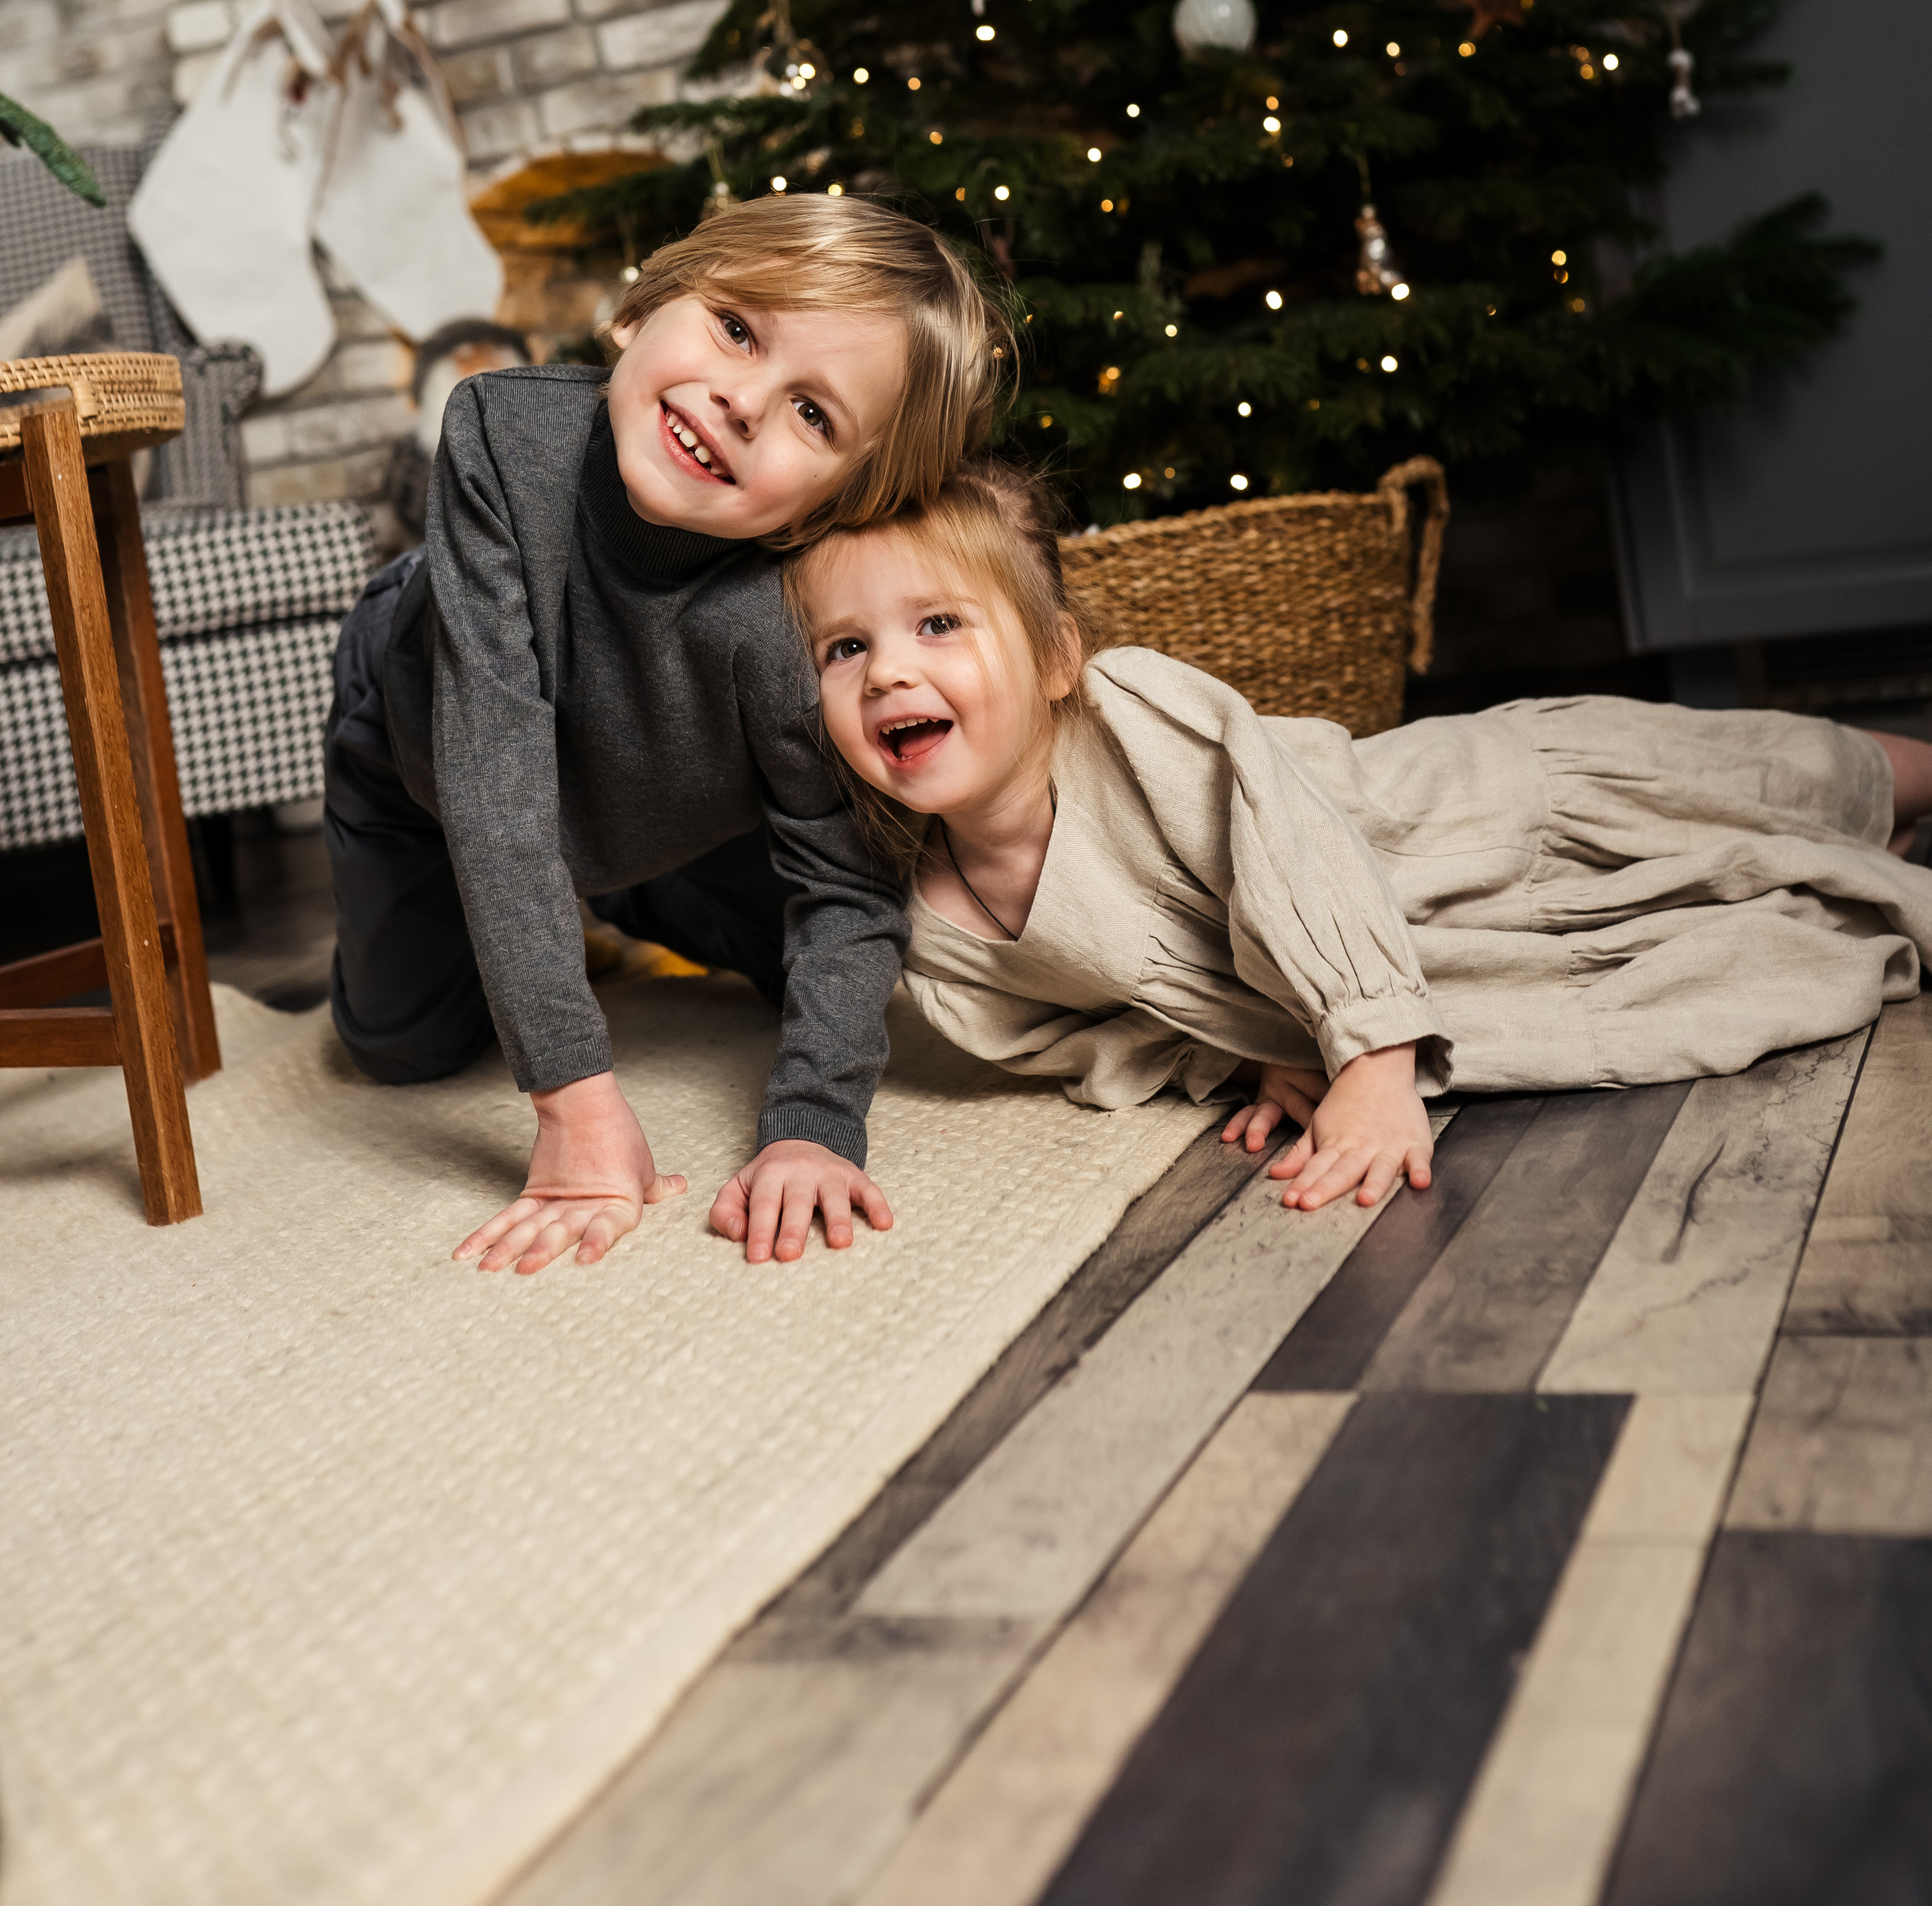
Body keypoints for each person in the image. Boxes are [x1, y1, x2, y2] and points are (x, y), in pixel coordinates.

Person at [785, 460, 1932, 1213]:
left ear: (1052, 660)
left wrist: (1376, 1061)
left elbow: (1294, 853)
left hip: (1460, 819)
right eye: (846, 648)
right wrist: (1239, 1056)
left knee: (1784, 778)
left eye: (939, 624)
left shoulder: (1133, 713)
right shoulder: (933, 932)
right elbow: (1084, 1036)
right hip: (1465, 955)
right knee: (1770, 908)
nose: (891, 669)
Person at [323, 195, 1010, 1273]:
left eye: (813, 416)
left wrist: (812, 1131)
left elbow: (846, 884)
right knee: (402, 1049)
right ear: (644, 307)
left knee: (829, 985)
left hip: (647, 771)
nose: (741, 402)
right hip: (429, 739)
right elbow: (493, 778)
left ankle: (610, 886)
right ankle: (564, 892)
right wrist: (574, 1100)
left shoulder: (789, 620)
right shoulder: (501, 435)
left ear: (832, 507)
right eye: (738, 328)